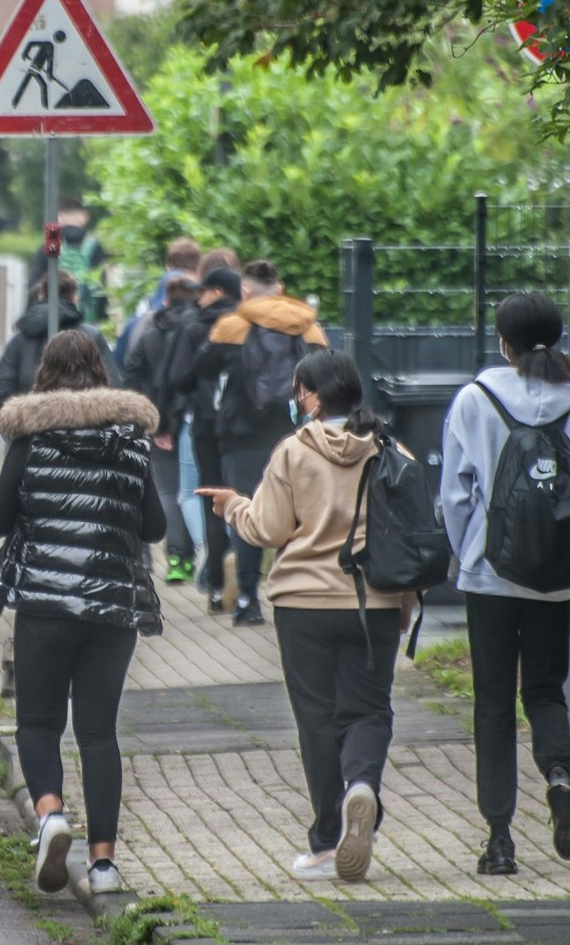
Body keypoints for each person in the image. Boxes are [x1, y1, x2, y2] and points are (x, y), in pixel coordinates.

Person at [199, 350, 411, 883]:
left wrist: (231, 506)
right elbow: (413, 534)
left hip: (303, 606)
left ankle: (323, 843)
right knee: (368, 710)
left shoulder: (293, 451)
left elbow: (268, 529)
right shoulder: (389, 450)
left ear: (312, 397)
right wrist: (410, 600)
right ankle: (361, 786)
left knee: (316, 720)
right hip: (375, 601)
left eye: (299, 390)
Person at [0, 330, 166, 898]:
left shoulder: (30, 443)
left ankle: (51, 815)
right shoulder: (132, 443)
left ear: (44, 373)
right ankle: (105, 865)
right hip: (112, 608)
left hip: (45, 604)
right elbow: (156, 527)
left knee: (38, 724)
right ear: (102, 371)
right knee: (97, 732)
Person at [439, 292, 570, 876]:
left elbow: (456, 493)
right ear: (555, 338)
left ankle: (500, 838)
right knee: (545, 691)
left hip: (489, 575)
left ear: (502, 343)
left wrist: (467, 558)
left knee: (491, 703)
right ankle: (558, 776)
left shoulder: (474, 399)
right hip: (557, 578)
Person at [198, 260, 330, 625]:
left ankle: (247, 599)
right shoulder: (308, 327)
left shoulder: (231, 326)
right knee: (301, 512)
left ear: (245, 290)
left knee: (245, 512)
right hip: (295, 432)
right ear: (280, 287)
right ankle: (300, 594)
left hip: (240, 435)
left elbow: (198, 370)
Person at [169, 266, 242, 611]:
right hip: (245, 427)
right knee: (245, 498)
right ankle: (246, 584)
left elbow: (178, 377)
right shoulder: (249, 323)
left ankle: (215, 584)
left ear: (215, 292)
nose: (199, 297)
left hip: (206, 425)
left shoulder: (194, 326)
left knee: (212, 501)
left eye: (204, 291)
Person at [123, 275, 200, 583]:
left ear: (166, 300)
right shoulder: (201, 330)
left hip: (159, 424)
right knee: (197, 489)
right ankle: (201, 553)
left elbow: (130, 377)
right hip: (195, 422)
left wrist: (146, 419)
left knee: (168, 491)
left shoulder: (150, 335)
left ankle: (177, 559)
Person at [0, 272, 112, 423]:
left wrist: (17, 431)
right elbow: (112, 388)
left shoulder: (20, 339)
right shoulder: (92, 337)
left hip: (30, 436)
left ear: (41, 294)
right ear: (74, 298)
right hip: (89, 435)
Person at [113, 237, 201, 368]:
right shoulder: (202, 309)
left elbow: (119, 362)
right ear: (198, 268)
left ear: (168, 266)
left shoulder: (143, 312)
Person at [31, 202, 108, 323]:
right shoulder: (94, 245)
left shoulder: (52, 241)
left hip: (52, 318)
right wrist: (101, 317)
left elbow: (34, 283)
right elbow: (101, 289)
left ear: (59, 218)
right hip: (85, 320)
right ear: (84, 217)